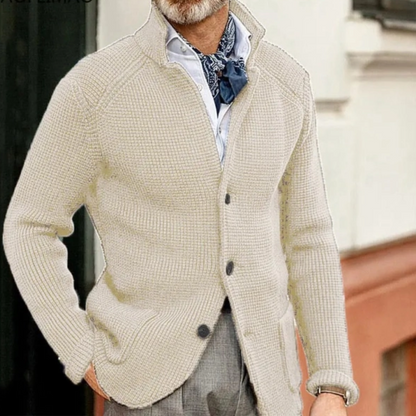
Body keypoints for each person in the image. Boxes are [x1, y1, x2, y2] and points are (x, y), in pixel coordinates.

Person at [2, 0, 360, 414]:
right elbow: (30, 225)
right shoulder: (95, 88)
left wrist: (331, 380)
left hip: (267, 381)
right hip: (149, 382)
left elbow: (308, 235)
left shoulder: (287, 82)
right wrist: (78, 348)